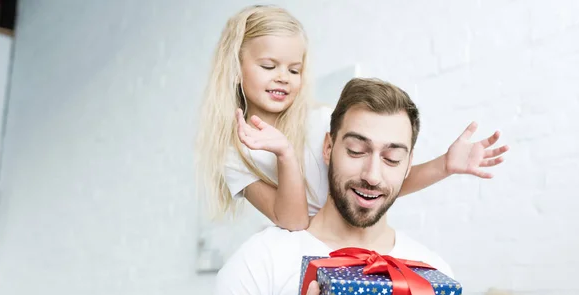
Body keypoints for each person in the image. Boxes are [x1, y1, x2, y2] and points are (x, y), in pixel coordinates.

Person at [189, 78, 475, 295]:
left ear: (408, 165)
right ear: (329, 148)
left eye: (392, 158)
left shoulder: (430, 273)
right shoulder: (264, 257)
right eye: (356, 150)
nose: (372, 174)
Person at [195, 5, 508, 231]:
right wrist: (285, 154)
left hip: (353, 246)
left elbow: (374, 185)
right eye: (268, 66)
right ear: (236, 69)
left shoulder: (321, 121)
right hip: (305, 256)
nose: (283, 78)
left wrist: (444, 165)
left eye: (294, 69)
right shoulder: (234, 155)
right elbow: (292, 221)